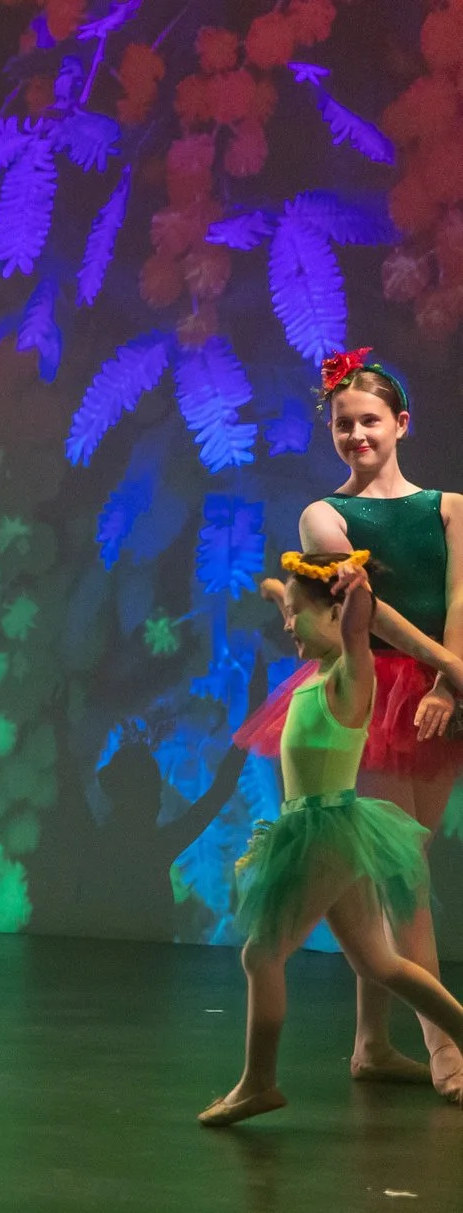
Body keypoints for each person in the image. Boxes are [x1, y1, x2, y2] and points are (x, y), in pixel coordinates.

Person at [237, 350, 463, 1091]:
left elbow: (460, 597)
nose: (357, 435)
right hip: (377, 693)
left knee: (394, 866)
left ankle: (371, 1044)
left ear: (402, 422)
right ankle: (447, 1052)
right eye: (343, 425)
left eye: (370, 421)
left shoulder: (450, 507)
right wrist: (446, 668)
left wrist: (452, 685)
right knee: (404, 880)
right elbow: (368, 614)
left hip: (440, 695)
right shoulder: (325, 514)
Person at [205, 555, 463, 1126]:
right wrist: (280, 592)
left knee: (261, 954)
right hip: (316, 830)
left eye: (298, 614)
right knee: (379, 962)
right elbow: (310, 615)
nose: (288, 625)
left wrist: (357, 592)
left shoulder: (350, 672)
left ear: (340, 614)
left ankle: (259, 1083)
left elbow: (351, 626)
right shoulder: (314, 675)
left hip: (326, 832)